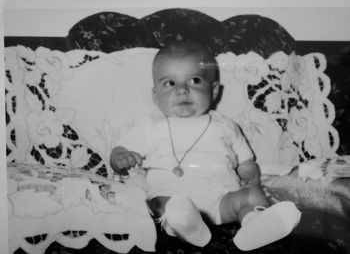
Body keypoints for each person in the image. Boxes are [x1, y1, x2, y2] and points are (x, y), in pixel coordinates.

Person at [109, 41, 301, 251]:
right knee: (161, 206)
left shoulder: (226, 125)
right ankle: (185, 227)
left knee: (252, 197)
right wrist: (121, 156)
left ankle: (255, 224)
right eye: (170, 83)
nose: (182, 90)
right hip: (171, 195)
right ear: (155, 96)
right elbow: (120, 149)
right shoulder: (150, 125)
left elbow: (246, 161)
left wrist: (249, 176)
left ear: (214, 90)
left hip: (221, 199)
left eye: (195, 80)